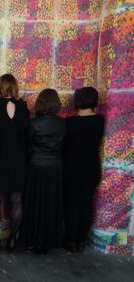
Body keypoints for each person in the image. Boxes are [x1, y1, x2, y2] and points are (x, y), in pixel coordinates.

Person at [0, 74, 30, 254]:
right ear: (15, 87)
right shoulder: (23, 107)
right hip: (17, 160)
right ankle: (12, 239)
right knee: (16, 200)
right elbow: (27, 137)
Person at [21, 89, 66, 254]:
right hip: (55, 168)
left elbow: (27, 147)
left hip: (36, 167)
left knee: (34, 204)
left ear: (40, 103)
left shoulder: (33, 124)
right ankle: (48, 242)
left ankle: (32, 241)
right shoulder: (63, 124)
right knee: (51, 205)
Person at [63, 87, 105, 253]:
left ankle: (71, 240)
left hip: (72, 168)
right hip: (91, 168)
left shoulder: (69, 123)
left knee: (72, 205)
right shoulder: (99, 120)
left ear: (77, 101)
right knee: (86, 204)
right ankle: (81, 239)